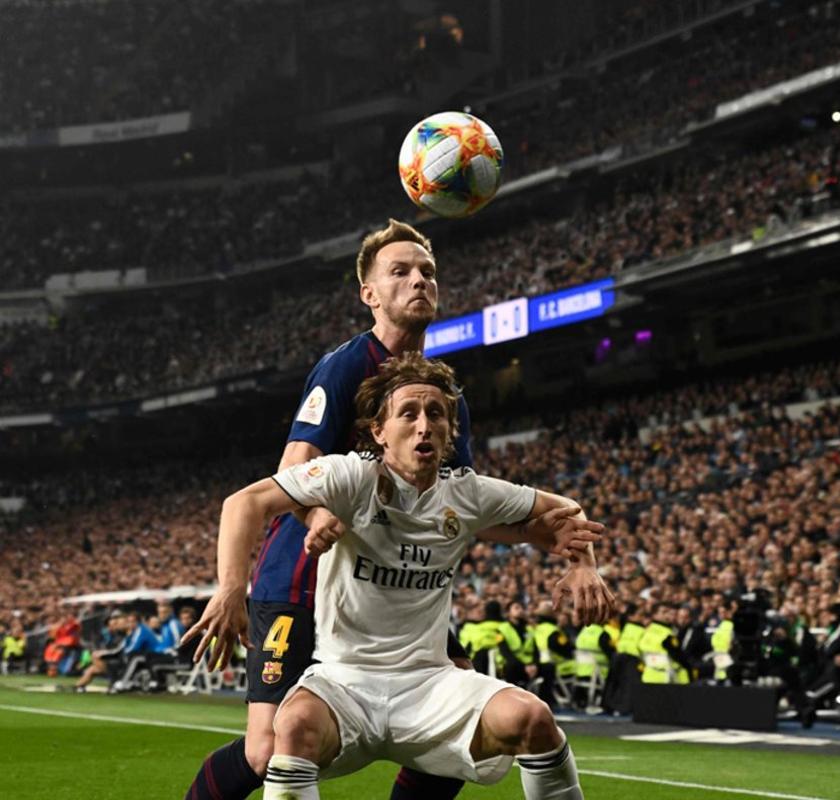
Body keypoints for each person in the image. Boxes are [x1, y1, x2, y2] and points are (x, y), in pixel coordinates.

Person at [183, 220, 605, 800]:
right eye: (400, 272)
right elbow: (290, 471)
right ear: (369, 294)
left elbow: (464, 503)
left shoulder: (445, 395)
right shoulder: (344, 368)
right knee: (265, 750)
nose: (418, 281)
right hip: (302, 575)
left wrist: (549, 540)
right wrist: (312, 521)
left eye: (427, 271)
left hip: (396, 591)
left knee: (454, 725)